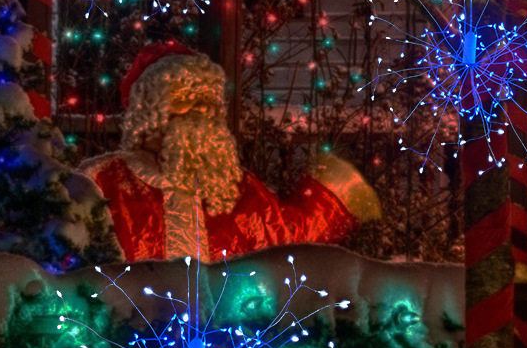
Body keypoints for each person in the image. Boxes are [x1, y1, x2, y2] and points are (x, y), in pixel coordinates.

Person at [81, 40, 380, 262]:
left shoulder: (240, 190)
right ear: (151, 112)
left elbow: (285, 243)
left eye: (207, 101)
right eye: (185, 99)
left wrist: (333, 195)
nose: (200, 109)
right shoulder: (103, 183)